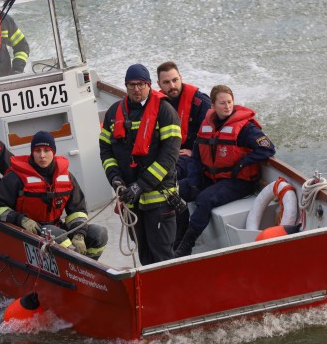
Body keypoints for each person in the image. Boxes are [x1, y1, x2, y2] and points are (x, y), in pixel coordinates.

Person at [174, 85, 276, 257]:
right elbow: (196, 158)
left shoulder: (245, 128)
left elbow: (268, 148)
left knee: (204, 199)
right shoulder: (206, 126)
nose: (227, 106)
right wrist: (193, 181)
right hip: (211, 177)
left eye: (230, 102)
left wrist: (243, 163)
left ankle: (186, 245)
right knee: (175, 191)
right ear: (212, 106)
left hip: (238, 181)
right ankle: (178, 237)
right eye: (222, 103)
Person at [99, 64, 182, 265]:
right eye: (132, 85)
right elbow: (106, 150)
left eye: (141, 85)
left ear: (149, 85)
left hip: (159, 198)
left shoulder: (165, 111)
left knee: (162, 256)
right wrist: (115, 178)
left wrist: (140, 186)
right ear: (126, 86)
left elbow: (169, 157)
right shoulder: (113, 113)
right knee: (143, 255)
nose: (137, 89)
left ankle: (167, 295)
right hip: (131, 201)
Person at [0, 131, 108, 260]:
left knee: (99, 233)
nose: (42, 155)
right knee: (54, 233)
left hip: (56, 229)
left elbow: (77, 210)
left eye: (46, 150)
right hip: (29, 234)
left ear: (53, 152)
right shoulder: (15, 177)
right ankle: (74, 266)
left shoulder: (66, 177)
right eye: (37, 151)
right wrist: (21, 219)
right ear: (32, 153)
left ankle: (89, 267)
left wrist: (79, 234)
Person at [156, 61, 211, 179]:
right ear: (159, 84)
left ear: (180, 78)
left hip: (191, 156)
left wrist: (193, 152)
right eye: (166, 82)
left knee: (168, 174)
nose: (172, 86)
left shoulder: (201, 102)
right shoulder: (157, 104)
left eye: (175, 80)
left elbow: (212, 135)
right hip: (167, 152)